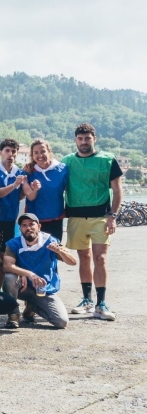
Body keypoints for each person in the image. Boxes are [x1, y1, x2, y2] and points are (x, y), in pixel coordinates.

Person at [62, 123, 123, 320]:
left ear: (94, 139)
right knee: (85, 259)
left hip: (101, 217)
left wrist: (113, 216)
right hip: (76, 217)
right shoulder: (68, 161)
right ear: (75, 140)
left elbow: (117, 190)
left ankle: (101, 303)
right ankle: (87, 300)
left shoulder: (107, 159)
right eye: (80, 139)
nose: (84, 142)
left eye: (87, 138)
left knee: (100, 259)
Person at [2, 213, 77, 329]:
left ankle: (33, 306)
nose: (28, 228)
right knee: (9, 278)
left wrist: (60, 251)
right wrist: (28, 274)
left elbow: (73, 262)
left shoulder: (51, 241)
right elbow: (7, 266)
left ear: (39, 226)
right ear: (20, 228)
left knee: (61, 322)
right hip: (23, 287)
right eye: (24, 225)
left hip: (43, 290)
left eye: (32, 224)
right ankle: (13, 314)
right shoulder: (14, 244)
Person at [22, 139, 68, 242]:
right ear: (32, 155)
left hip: (56, 218)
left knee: (54, 251)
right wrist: (34, 189)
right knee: (35, 252)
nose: (40, 155)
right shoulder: (28, 171)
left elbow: (69, 190)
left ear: (49, 152)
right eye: (36, 153)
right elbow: (30, 197)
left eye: (43, 151)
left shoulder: (62, 169)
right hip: (34, 220)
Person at [0, 139, 28, 244]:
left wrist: (31, 189)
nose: (10, 154)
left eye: (13, 151)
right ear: (0, 153)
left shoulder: (20, 172)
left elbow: (19, 196)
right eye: (7, 151)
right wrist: (14, 185)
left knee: (8, 248)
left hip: (11, 217)